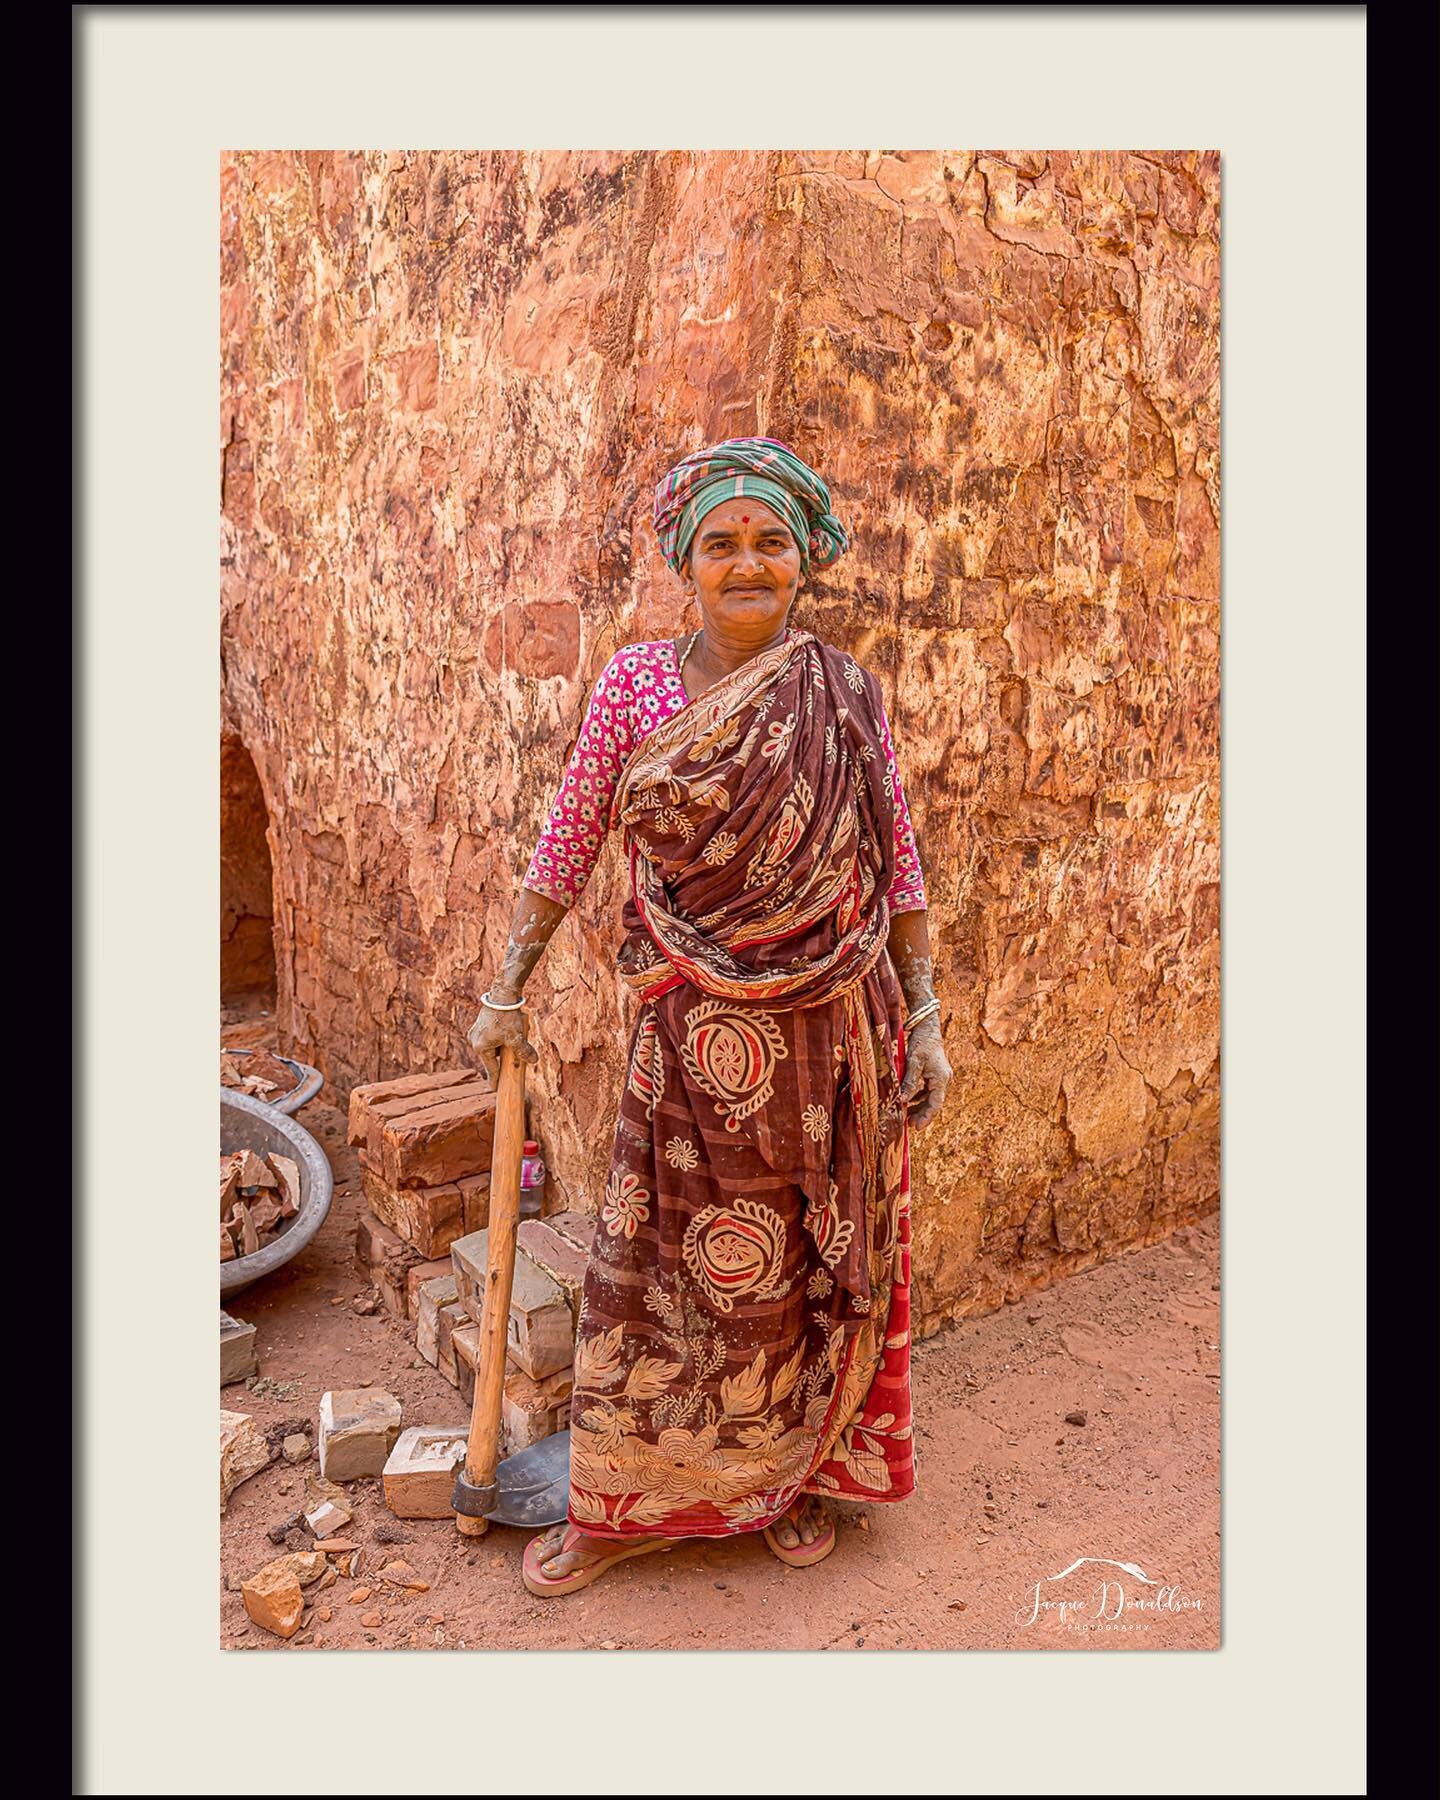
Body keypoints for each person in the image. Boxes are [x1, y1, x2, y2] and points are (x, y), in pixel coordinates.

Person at [468, 436, 953, 1596]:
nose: (748, 563)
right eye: (722, 543)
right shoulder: (637, 685)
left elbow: (898, 859)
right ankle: (624, 1501)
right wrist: (506, 983)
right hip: (686, 1037)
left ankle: (793, 1476)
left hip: (833, 1033)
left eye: (771, 542)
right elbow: (572, 833)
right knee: (655, 1270)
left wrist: (926, 1014)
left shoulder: (841, 692)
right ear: (688, 561)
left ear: (804, 560)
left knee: (808, 1261)